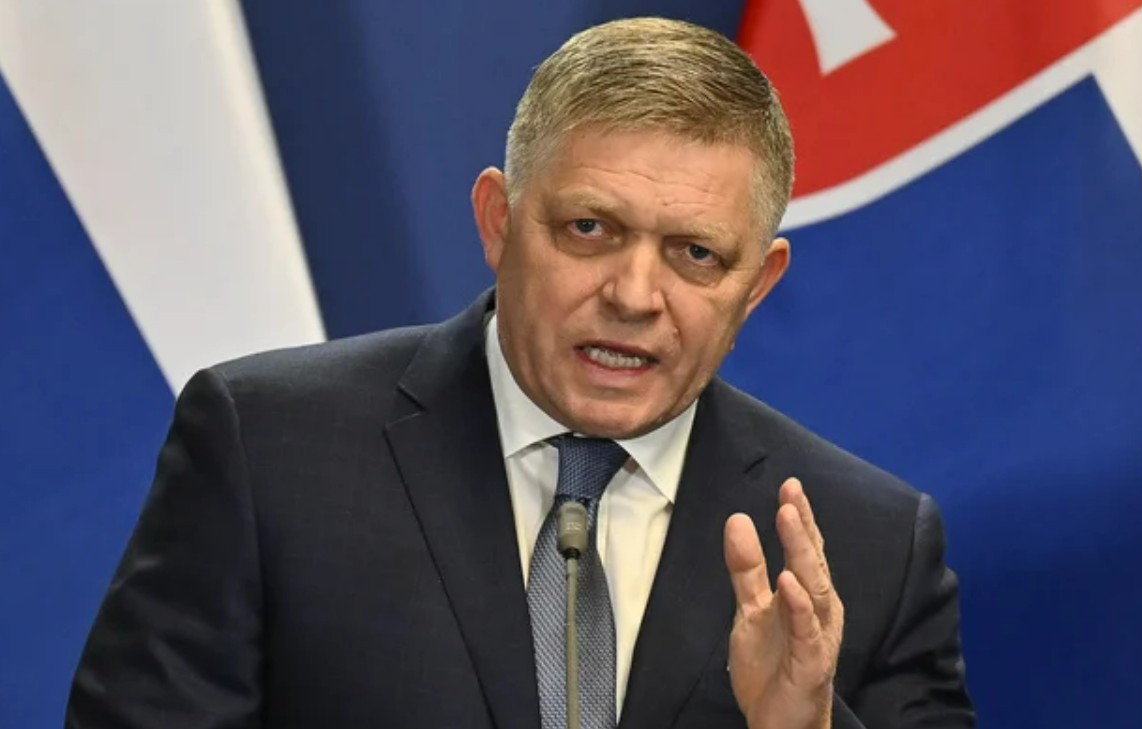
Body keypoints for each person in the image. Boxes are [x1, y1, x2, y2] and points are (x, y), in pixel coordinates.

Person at [66, 17, 974, 729]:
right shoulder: (272, 451)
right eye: (589, 229)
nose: (633, 294)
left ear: (756, 285)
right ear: (498, 221)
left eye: (695, 253)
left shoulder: (868, 548)